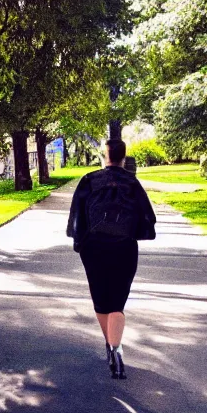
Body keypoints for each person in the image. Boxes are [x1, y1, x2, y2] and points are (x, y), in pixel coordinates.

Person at [66, 138, 157, 379]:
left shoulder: (89, 180)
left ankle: (109, 345)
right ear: (123, 157)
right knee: (117, 302)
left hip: (93, 247)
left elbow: (76, 217)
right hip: (124, 247)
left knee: (100, 299)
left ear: (105, 155)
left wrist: (80, 244)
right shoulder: (132, 183)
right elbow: (147, 218)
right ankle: (116, 350)